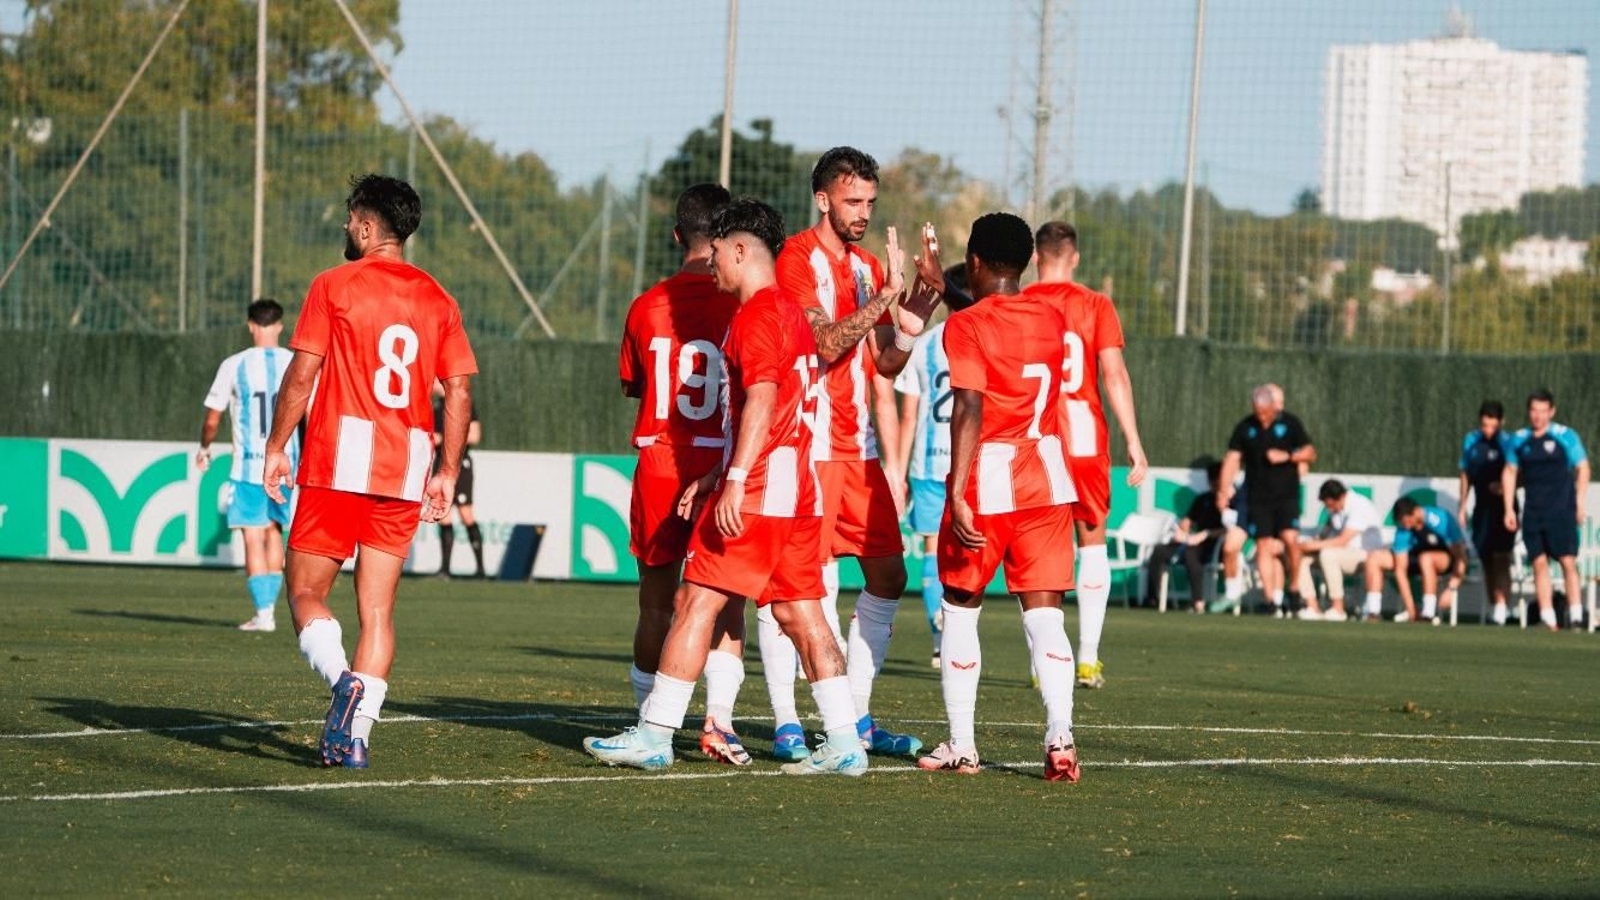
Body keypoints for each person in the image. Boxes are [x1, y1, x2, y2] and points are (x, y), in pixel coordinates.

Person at [584, 198, 866, 776]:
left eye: (716, 252)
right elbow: (774, 406)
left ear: (741, 250)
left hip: (760, 490)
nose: (710, 262)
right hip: (795, 489)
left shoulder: (759, 315)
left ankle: (655, 733)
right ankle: (843, 743)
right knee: (804, 617)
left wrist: (733, 481)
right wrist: (717, 472)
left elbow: (762, 397)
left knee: (694, 602)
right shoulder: (791, 310)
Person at [262, 174, 477, 769]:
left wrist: (277, 445)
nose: (345, 228)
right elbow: (457, 392)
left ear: (365, 223)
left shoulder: (334, 285)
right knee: (377, 612)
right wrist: (448, 471)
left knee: (306, 591)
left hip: (338, 462)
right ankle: (354, 738)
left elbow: (302, 375)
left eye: (349, 218)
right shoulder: (438, 298)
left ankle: (341, 681)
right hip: (406, 467)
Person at [768, 147, 937, 761]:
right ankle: (788, 719)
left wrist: (918, 306)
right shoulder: (793, 259)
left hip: (857, 446)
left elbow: (884, 362)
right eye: (851, 201)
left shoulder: (869, 266)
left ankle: (857, 717)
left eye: (869, 201)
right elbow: (824, 344)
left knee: (889, 575)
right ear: (822, 199)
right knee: (797, 584)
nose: (863, 212)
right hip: (807, 444)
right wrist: (883, 297)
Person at [916, 212, 1082, 783]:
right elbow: (998, 320)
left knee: (960, 609)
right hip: (1047, 478)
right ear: (1028, 262)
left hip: (989, 478)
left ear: (977, 260)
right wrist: (949, 290)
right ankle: (1060, 734)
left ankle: (962, 744)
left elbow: (969, 406)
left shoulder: (965, 327)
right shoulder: (1052, 317)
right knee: (1046, 618)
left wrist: (957, 491)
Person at [616, 183, 751, 765]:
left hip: (662, 460)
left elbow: (635, 387)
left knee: (655, 603)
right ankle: (718, 722)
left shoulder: (647, 305)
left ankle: (650, 721)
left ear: (678, 235)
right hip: (724, 459)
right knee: (727, 602)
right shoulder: (741, 302)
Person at [1021, 222, 1148, 689]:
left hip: (1032, 437)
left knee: (1037, 548)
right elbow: (1113, 373)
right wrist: (1133, 439)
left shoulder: (1023, 301)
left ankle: (1042, 664)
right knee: (1091, 540)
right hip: (1084, 439)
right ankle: (1089, 658)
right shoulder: (1095, 304)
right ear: (1073, 258)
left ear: (1037, 257)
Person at [196, 298, 297, 632]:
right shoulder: (295, 363)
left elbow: (213, 418)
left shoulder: (234, 364)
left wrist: (205, 447)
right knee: (273, 533)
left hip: (249, 467)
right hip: (286, 465)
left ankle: (264, 613)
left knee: (252, 536)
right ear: (280, 326)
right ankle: (269, 611)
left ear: (251, 325)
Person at [891, 264, 972, 668]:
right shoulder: (981, 337)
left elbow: (909, 415)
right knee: (963, 548)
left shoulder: (923, 345)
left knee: (928, 547)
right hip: (967, 461)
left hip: (926, 463)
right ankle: (957, 630)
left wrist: (899, 472)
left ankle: (939, 636)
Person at [1218, 385, 1316, 616]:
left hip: (1286, 495)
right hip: (1257, 497)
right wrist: (1223, 490)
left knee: (1290, 540)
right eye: (1258, 413)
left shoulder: (1290, 423)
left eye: (1266, 413)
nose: (1262, 418)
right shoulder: (1245, 427)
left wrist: (1288, 456)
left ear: (1274, 407)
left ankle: (1293, 589)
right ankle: (1270, 600)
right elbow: (1233, 458)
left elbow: (1310, 452)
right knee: (1262, 544)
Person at [1502, 389, 1590, 631]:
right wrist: (1509, 508)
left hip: (1561, 512)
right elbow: (1509, 472)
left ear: (1551, 411)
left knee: (1567, 562)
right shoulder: (1519, 440)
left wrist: (1580, 503)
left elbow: (1583, 468)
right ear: (1529, 412)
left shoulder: (1565, 436)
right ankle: (1547, 617)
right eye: (1534, 411)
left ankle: (1575, 615)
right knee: (1538, 563)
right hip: (1533, 513)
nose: (1538, 416)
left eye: (1543, 411)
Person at [1361, 498, 1467, 624]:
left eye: (1407, 521)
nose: (1406, 526)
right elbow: (1400, 570)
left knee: (1426, 558)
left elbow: (1461, 557)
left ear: (1416, 511)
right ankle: (1373, 612)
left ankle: (1428, 614)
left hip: (1445, 561)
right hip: (1416, 560)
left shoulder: (1439, 519)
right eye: (1402, 523)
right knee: (1374, 558)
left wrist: (1452, 588)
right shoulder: (1404, 527)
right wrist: (1411, 610)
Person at [1458, 400, 1517, 625]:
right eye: (1485, 425)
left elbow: (1518, 473)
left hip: (1504, 509)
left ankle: (1503, 606)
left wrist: (1505, 489)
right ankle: (1496, 608)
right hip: (1481, 508)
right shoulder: (1471, 441)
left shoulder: (1509, 442)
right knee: (1487, 560)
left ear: (1501, 422)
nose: (1488, 430)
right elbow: (1465, 475)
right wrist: (1462, 505)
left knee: (1502, 557)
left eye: (1493, 426)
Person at [1294, 480, 1384, 621]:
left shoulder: (1359, 506)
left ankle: (1338, 608)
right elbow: (1325, 534)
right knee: (1299, 558)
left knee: (1328, 554)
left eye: (1330, 505)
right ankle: (1312, 607)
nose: (1328, 509)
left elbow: (1342, 540)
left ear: (1340, 497)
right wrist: (1307, 544)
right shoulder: (1336, 510)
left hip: (1364, 555)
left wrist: (1312, 546)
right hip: (1342, 553)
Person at [1145, 462, 1226, 613]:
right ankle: (1152, 599)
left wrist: (1205, 534)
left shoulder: (1230, 501)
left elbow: (1230, 529)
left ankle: (1198, 602)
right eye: (1211, 481)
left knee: (1190, 553)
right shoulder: (1203, 499)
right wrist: (1183, 528)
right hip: (1192, 542)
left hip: (1214, 547)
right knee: (1159, 551)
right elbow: (1189, 520)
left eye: (1216, 480)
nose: (1213, 485)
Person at [432, 380, 484, 578]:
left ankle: (480, 569)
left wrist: (445, 438)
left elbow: (475, 436)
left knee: (466, 515)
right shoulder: (436, 406)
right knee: (442, 516)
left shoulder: (464, 402)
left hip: (460, 464)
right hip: (440, 464)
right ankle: (445, 569)